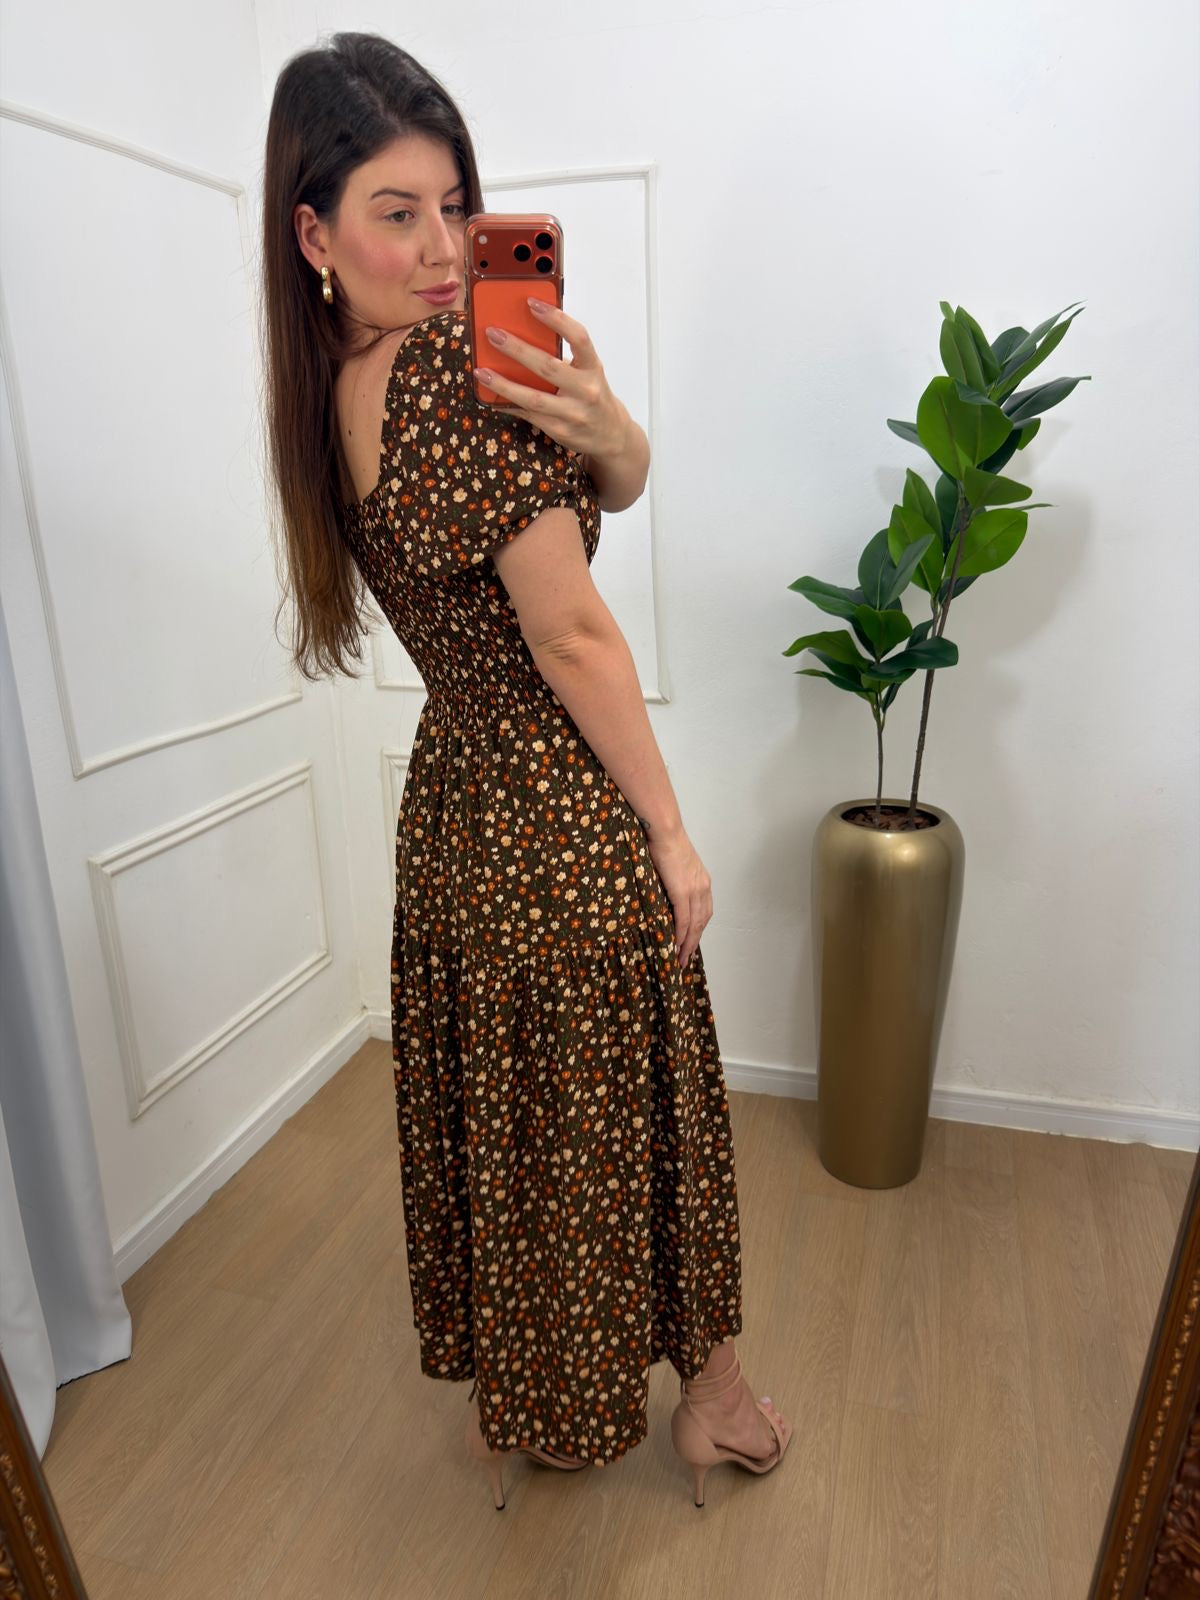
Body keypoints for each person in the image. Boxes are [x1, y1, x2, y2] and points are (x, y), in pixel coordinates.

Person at [260, 31, 791, 1508]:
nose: (442, 251)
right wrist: (671, 832)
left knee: (519, 1128)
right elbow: (569, 632)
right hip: (555, 816)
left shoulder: (335, 389)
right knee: (630, 1114)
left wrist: (611, 433)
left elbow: (601, 487)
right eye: (395, 213)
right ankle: (715, 1400)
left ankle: (542, 1405)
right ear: (314, 233)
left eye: (456, 206)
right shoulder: (451, 370)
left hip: (455, 813)